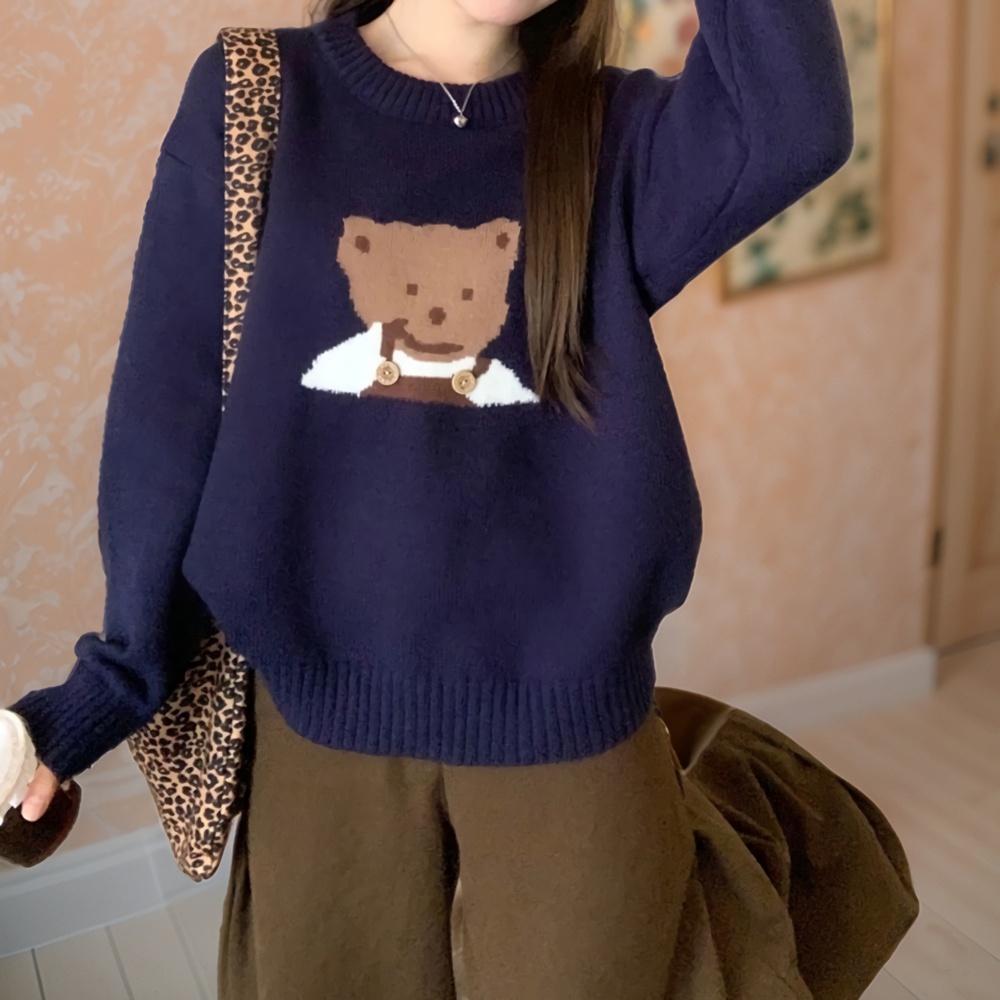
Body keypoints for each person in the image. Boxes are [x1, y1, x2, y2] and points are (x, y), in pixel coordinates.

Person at [5, 0, 854, 996]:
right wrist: (110, 684)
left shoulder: (611, 133)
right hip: (319, 731)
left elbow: (793, 124)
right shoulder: (255, 94)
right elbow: (167, 415)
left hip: (573, 731)